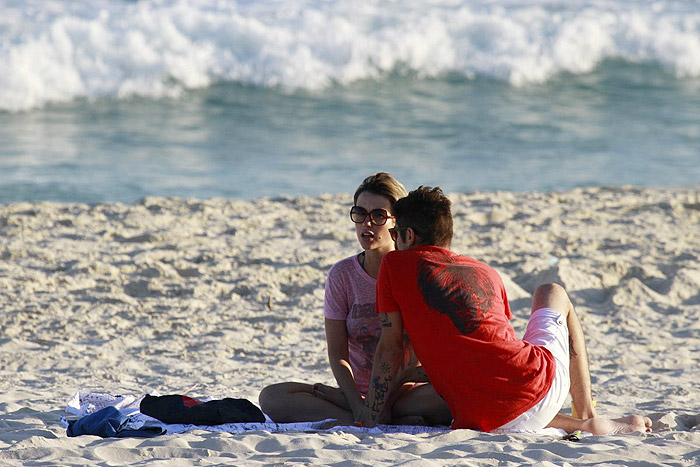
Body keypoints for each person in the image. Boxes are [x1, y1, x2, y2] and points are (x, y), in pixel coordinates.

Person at [359, 186, 652, 435]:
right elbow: (493, 346)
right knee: (551, 293)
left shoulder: (394, 265)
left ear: (408, 236)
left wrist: (372, 419)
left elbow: (390, 348)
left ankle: (585, 417)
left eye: (396, 233)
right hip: (537, 392)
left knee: (551, 291)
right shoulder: (486, 272)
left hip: (483, 419)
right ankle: (585, 416)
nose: (393, 240)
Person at [259, 174, 451, 426]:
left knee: (453, 395)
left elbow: (427, 353)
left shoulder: (416, 272)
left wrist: (389, 396)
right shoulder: (343, 275)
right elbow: (337, 353)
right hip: (355, 394)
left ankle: (381, 416)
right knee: (272, 397)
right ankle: (368, 419)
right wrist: (358, 404)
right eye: (360, 213)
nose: (367, 223)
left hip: (407, 393)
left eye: (378, 215)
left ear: (397, 221)